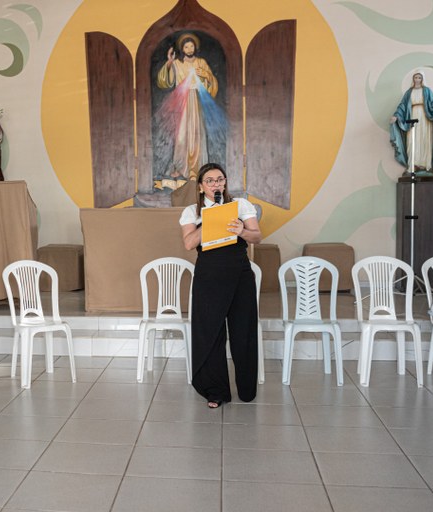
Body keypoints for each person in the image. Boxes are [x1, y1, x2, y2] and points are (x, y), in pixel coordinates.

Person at [179, 163, 262, 408]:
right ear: (201, 186)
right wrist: (211, 220)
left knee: (243, 331)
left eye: (220, 179)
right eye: (210, 181)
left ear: (225, 182)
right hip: (209, 275)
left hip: (239, 274)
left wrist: (242, 230)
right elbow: (188, 244)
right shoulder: (191, 211)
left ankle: (246, 389)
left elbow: (257, 236)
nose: (216, 184)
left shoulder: (241, 206)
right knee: (211, 333)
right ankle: (215, 391)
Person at [157, 33, 226, 181]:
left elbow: (212, 84)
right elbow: (164, 82)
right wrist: (169, 62)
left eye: (191, 46)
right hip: (182, 102)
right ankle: (180, 167)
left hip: (197, 101)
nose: (189, 49)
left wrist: (207, 75)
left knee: (196, 135)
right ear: (182, 49)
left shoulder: (201, 62)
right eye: (186, 46)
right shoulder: (177, 63)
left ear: (195, 47)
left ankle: (196, 169)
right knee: (181, 135)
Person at [390, 70, 433, 174]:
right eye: (416, 77)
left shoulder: (427, 90)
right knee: (412, 140)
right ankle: (413, 165)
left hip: (425, 118)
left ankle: (426, 165)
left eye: (419, 77)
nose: (417, 79)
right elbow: (402, 105)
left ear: (422, 79)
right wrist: (396, 116)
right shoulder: (409, 92)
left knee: (425, 139)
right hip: (412, 117)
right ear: (413, 79)